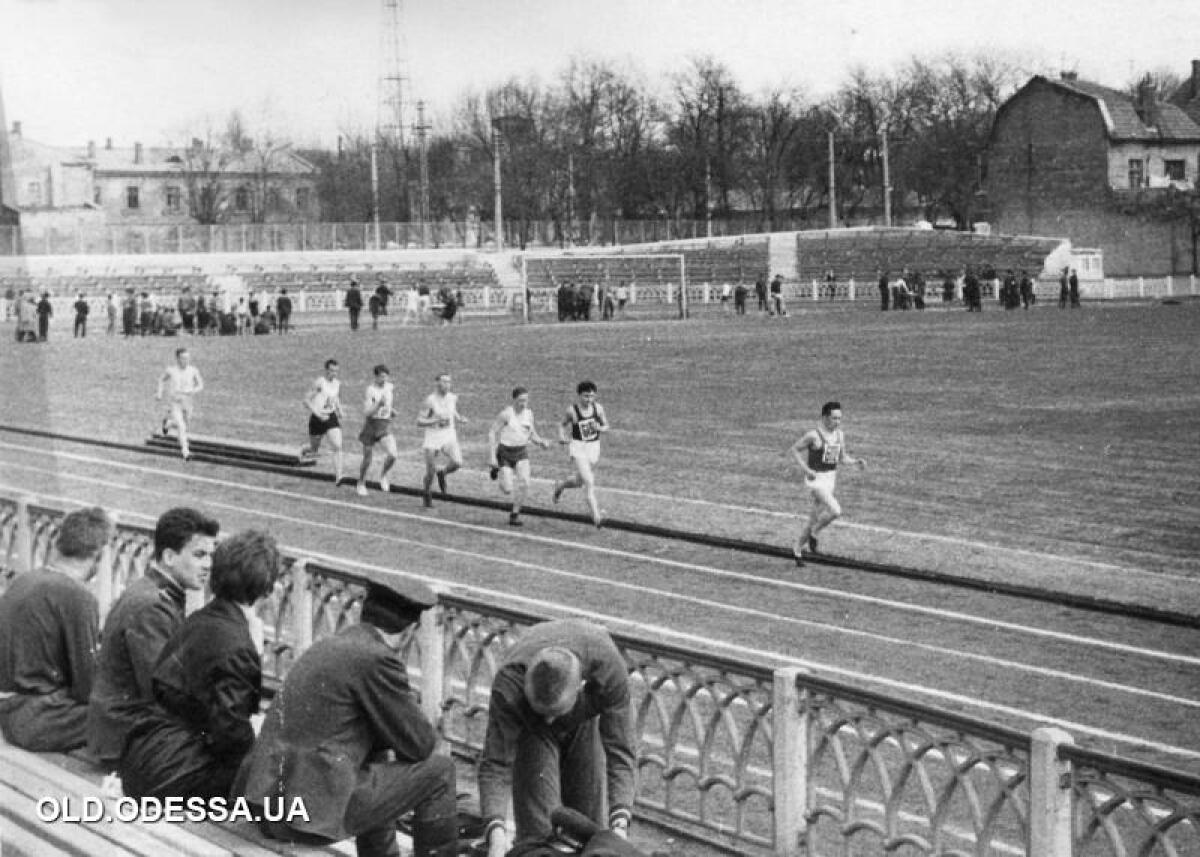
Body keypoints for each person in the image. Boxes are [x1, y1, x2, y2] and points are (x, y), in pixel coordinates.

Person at [235, 577, 463, 857]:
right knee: (440, 771)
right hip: (304, 818)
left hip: (267, 804)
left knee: (374, 758)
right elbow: (421, 745)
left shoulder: (330, 645)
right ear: (409, 630)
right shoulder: (377, 659)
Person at [121, 530, 278, 801]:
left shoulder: (197, 620)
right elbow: (231, 731)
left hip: (143, 757)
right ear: (265, 589)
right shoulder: (237, 643)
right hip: (175, 771)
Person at [479, 619, 636, 857]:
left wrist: (620, 823)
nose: (550, 721)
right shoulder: (509, 684)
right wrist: (496, 832)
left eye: (555, 713)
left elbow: (621, 752)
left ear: (580, 687)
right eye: (543, 711)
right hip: (530, 727)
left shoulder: (608, 671)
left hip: (582, 719)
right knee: (539, 835)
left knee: (589, 832)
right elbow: (496, 762)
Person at [87, 507, 220, 766]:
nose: (208, 565)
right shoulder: (152, 606)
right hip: (123, 740)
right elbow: (165, 692)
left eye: (211, 556)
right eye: (199, 555)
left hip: (123, 730)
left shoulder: (152, 593)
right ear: (169, 556)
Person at [0, 507, 112, 751]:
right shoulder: (79, 597)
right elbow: (86, 688)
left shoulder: (24, 580)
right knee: (127, 715)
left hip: (8, 709)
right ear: (98, 553)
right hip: (36, 720)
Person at [788, 401, 867, 566]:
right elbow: (794, 450)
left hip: (830, 479)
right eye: (834, 418)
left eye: (839, 418)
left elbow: (842, 458)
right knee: (836, 510)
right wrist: (806, 469)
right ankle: (815, 533)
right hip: (816, 481)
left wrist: (855, 462)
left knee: (813, 519)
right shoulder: (814, 435)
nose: (837, 422)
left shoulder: (840, 435)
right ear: (825, 417)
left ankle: (797, 549)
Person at [487, 386, 551, 527]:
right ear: (514, 400)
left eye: (526, 400)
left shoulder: (529, 414)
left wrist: (541, 442)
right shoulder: (506, 414)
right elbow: (492, 432)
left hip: (521, 452)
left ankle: (514, 515)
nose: (523, 403)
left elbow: (531, 433)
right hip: (505, 453)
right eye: (521, 400)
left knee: (525, 483)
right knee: (507, 489)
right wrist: (492, 456)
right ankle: (496, 470)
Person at [552, 381, 609, 527]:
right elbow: (562, 424)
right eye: (585, 396)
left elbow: (606, 426)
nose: (589, 399)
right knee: (589, 481)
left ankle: (560, 486)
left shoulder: (598, 409)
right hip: (578, 448)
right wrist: (561, 436)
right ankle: (596, 516)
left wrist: (599, 428)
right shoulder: (572, 411)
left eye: (591, 396)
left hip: (593, 448)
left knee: (579, 481)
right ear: (579, 395)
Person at [418, 373, 467, 508]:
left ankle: (443, 473)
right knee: (430, 471)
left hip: (448, 435)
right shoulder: (430, 401)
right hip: (433, 437)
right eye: (444, 382)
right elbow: (419, 421)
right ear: (437, 383)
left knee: (457, 462)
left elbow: (452, 410)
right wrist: (435, 420)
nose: (447, 385)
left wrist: (459, 418)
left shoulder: (452, 398)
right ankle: (427, 494)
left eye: (449, 382)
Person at [300, 359, 346, 484]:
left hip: (330, 417)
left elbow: (335, 398)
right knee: (313, 449)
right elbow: (306, 401)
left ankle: (339, 476)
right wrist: (318, 414)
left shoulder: (337, 384)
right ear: (326, 370)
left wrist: (340, 410)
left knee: (337, 445)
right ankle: (305, 450)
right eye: (332, 371)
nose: (334, 373)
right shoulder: (320, 383)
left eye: (336, 371)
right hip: (317, 419)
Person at [357, 364, 399, 497]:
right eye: (381, 377)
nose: (384, 379)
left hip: (384, 425)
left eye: (386, 377)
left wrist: (391, 411)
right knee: (367, 458)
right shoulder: (370, 390)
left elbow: (388, 403)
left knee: (393, 454)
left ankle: (383, 475)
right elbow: (367, 412)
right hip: (371, 425)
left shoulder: (389, 387)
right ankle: (361, 482)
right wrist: (379, 405)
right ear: (375, 377)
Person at [157, 347, 204, 460]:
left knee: (184, 425)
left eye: (187, 358)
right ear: (177, 359)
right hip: (175, 403)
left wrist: (193, 390)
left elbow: (200, 385)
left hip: (187, 403)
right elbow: (161, 379)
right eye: (183, 358)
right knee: (181, 426)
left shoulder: (193, 370)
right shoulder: (171, 370)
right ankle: (186, 452)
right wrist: (159, 393)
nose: (186, 360)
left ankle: (167, 424)